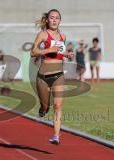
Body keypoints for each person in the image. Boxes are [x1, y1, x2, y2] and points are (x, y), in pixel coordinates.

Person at [30, 9, 74, 145]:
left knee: (58, 105)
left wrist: (67, 54)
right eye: (52, 18)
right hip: (43, 77)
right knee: (46, 106)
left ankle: (56, 136)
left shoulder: (63, 37)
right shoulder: (43, 34)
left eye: (57, 18)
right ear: (47, 20)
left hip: (58, 76)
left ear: (60, 21)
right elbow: (33, 52)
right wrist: (48, 50)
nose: (54, 20)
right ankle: (43, 109)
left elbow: (60, 51)